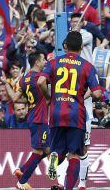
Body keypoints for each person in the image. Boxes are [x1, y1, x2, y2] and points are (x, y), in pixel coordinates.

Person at [38, 31, 103, 190]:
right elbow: (98, 93)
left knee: (58, 151)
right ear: (81, 46)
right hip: (76, 114)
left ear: (65, 46)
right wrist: (84, 95)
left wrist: (49, 97)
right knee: (74, 155)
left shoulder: (53, 63)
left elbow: (40, 81)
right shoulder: (87, 66)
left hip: (56, 112)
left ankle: (54, 157)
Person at [11, 52, 49, 190]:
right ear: (37, 62)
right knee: (39, 151)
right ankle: (22, 181)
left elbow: (15, 99)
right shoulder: (40, 77)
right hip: (39, 118)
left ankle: (21, 169)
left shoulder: (24, 79)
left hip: (32, 116)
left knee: (48, 149)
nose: (45, 62)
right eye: (43, 59)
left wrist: (31, 99)